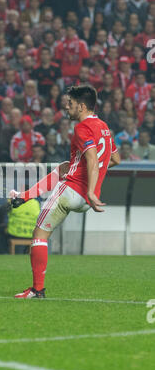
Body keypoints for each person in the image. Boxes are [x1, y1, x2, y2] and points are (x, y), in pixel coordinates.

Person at [10, 85, 120, 298]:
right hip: (84, 200)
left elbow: (91, 159)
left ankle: (37, 289)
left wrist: (90, 189)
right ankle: (24, 196)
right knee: (64, 166)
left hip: (74, 191)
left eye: (70, 104)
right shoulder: (104, 127)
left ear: (81, 106)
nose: (66, 107)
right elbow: (114, 159)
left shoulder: (81, 128)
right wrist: (91, 185)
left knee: (39, 236)